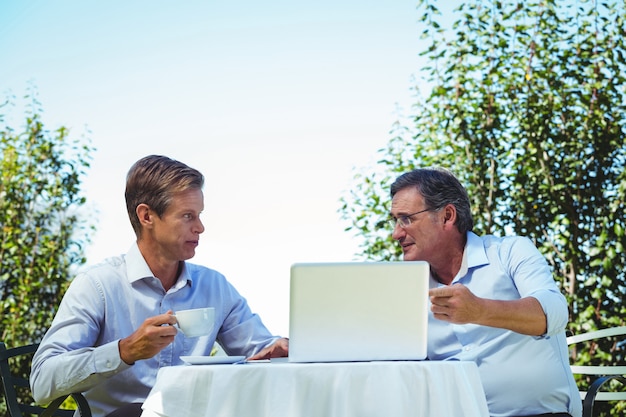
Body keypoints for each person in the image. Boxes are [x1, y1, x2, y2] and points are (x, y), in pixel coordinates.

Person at [30, 155, 289, 417]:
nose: (200, 227)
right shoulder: (97, 286)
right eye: (187, 216)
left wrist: (281, 349)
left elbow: (259, 349)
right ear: (146, 216)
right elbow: (41, 381)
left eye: (199, 215)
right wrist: (125, 351)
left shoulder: (214, 287)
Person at [388, 168, 581, 417]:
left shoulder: (510, 251)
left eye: (406, 219)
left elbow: (553, 314)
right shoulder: (407, 288)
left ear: (447, 216)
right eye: (394, 220)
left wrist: (479, 310)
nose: (396, 233)